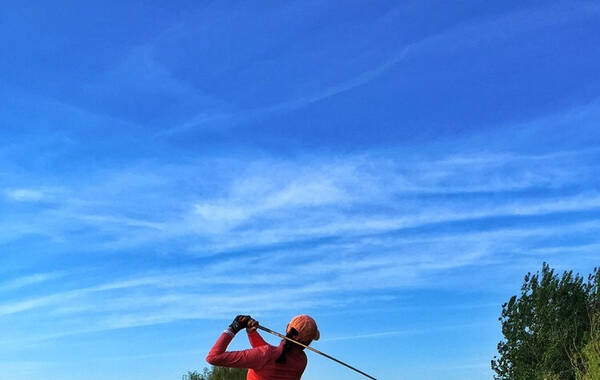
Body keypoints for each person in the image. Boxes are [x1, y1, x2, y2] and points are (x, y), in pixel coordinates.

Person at [206, 314, 320, 380]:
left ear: (287, 328)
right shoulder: (302, 361)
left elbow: (213, 357)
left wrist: (233, 328)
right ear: (308, 342)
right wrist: (252, 333)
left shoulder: (266, 355)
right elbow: (269, 354)